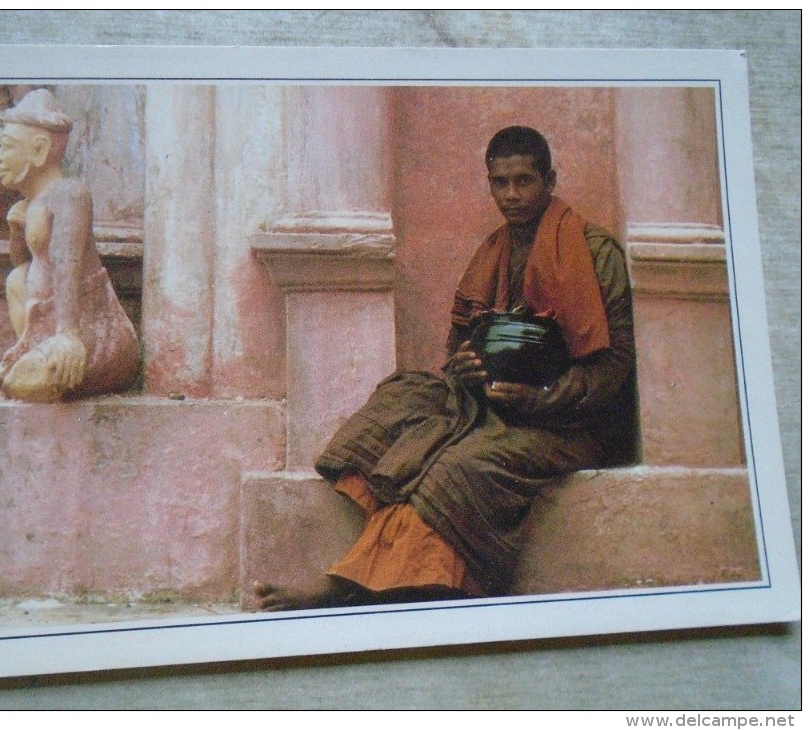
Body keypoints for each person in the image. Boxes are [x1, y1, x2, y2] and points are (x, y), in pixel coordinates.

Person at [255, 125, 636, 610]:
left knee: (454, 464)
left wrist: (543, 398)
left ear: (550, 181)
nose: (512, 196)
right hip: (495, 404)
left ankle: (352, 589)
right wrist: (466, 367)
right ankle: (364, 576)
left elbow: (615, 364)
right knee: (404, 395)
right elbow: (463, 346)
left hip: (569, 421)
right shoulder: (493, 251)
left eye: (525, 181)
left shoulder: (596, 253)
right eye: (501, 183)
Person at [0, 89, 140, 403]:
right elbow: (32, 267)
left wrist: (68, 335)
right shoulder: (29, 205)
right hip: (49, 327)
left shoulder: (68, 194)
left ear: (38, 150)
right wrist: (15, 229)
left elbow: (66, 263)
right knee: (16, 278)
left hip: (90, 329)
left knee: (22, 383)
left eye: (6, 148)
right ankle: (25, 358)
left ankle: (26, 368)